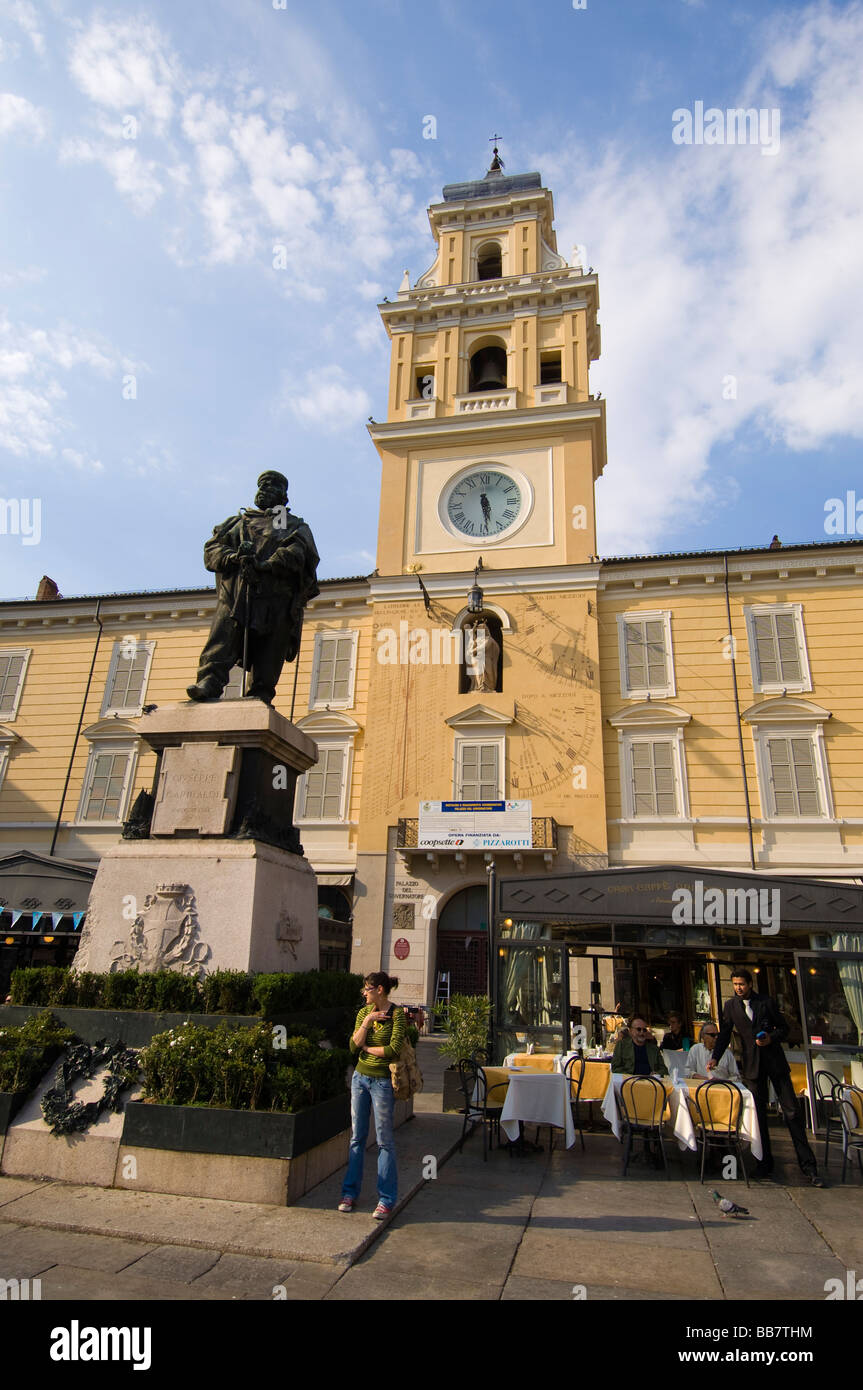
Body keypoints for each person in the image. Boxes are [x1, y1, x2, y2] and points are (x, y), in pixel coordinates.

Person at [187, 471, 320, 705]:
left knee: (270, 651)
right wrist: (234, 558)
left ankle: (261, 692)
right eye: (262, 485)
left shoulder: (289, 524)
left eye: (272, 486)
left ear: (284, 496)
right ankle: (209, 681)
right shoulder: (237, 523)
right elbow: (212, 549)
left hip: (276, 598)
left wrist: (265, 565)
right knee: (223, 637)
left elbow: (298, 553)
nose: (265, 489)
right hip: (237, 593)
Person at [709, 967, 824, 1186]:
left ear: (750, 984)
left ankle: (809, 1166)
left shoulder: (766, 1002)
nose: (738, 988)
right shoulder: (731, 1006)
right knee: (759, 1116)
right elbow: (724, 1033)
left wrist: (771, 1038)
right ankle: (764, 1163)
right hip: (753, 1065)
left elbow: (784, 1028)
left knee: (792, 1113)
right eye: (734, 984)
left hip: (774, 1062)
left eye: (741, 984)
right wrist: (715, 1057)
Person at [339, 972, 406, 1219]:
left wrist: (366, 1048)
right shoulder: (362, 1014)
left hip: (382, 1083)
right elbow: (351, 1046)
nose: (363, 993)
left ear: (379, 989)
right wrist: (367, 1023)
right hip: (360, 1079)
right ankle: (349, 1193)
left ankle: (386, 1198)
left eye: (366, 989)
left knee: (384, 1140)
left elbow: (393, 1049)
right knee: (357, 1137)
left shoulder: (396, 1015)